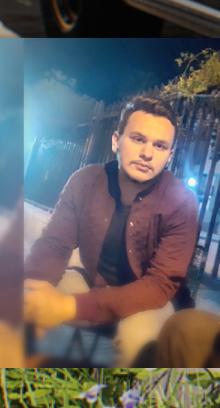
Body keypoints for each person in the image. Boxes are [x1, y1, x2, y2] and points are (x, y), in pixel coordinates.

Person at [23, 94, 199, 366]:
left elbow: (159, 284)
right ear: (116, 141)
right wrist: (35, 289)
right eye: (138, 139)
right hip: (93, 283)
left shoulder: (182, 203)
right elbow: (54, 244)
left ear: (169, 156)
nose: (148, 153)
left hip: (149, 301)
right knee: (25, 298)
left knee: (137, 341)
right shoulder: (86, 181)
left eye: (160, 145)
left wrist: (71, 307)